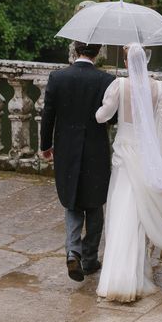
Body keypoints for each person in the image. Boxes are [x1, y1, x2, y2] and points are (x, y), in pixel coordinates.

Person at [94, 43, 162, 302]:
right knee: (139, 215)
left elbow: (101, 117)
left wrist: (100, 107)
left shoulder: (118, 85)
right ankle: (138, 275)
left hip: (124, 155)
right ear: (146, 61)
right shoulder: (159, 88)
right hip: (147, 157)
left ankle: (117, 276)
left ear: (127, 62)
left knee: (120, 211)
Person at [39, 41, 116, 282]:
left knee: (72, 201)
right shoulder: (106, 80)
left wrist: (45, 146)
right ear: (99, 52)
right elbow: (112, 119)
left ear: (75, 50)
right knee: (94, 204)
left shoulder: (58, 78)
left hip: (67, 149)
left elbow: (48, 116)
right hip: (96, 150)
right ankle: (90, 258)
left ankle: (73, 251)